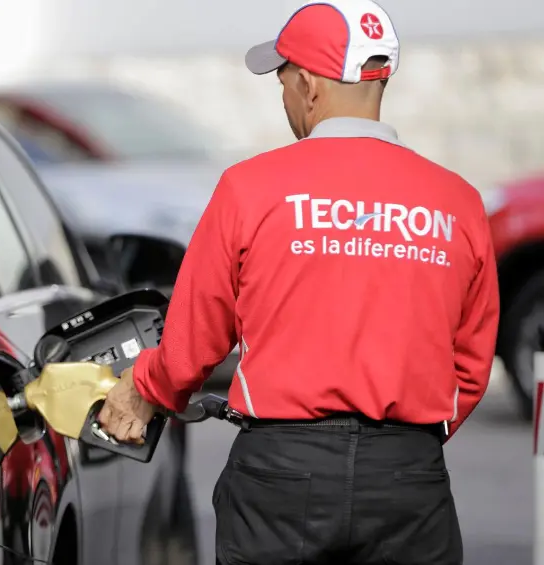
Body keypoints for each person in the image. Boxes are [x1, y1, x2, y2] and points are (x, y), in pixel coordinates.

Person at [97, 0, 499, 563]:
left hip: (280, 480)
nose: (284, 95)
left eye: (283, 80)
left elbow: (193, 343)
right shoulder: (459, 203)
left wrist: (146, 388)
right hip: (411, 481)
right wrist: (402, 444)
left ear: (309, 86)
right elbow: (471, 367)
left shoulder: (249, 189)